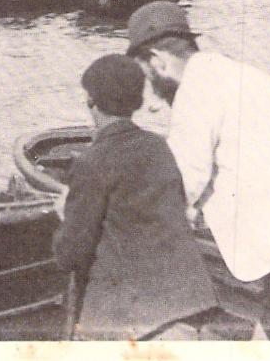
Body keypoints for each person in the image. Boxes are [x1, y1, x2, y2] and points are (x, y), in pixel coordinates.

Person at [127, 1, 270, 341]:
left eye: (146, 76)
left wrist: (133, 222)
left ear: (157, 60)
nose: (151, 96)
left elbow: (184, 179)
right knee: (269, 341)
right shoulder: (233, 73)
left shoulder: (195, 90)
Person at [52, 55, 219, 341]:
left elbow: (70, 253)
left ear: (92, 102)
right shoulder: (160, 149)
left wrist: (66, 213)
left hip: (134, 322)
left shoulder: (92, 162)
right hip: (190, 306)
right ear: (137, 103)